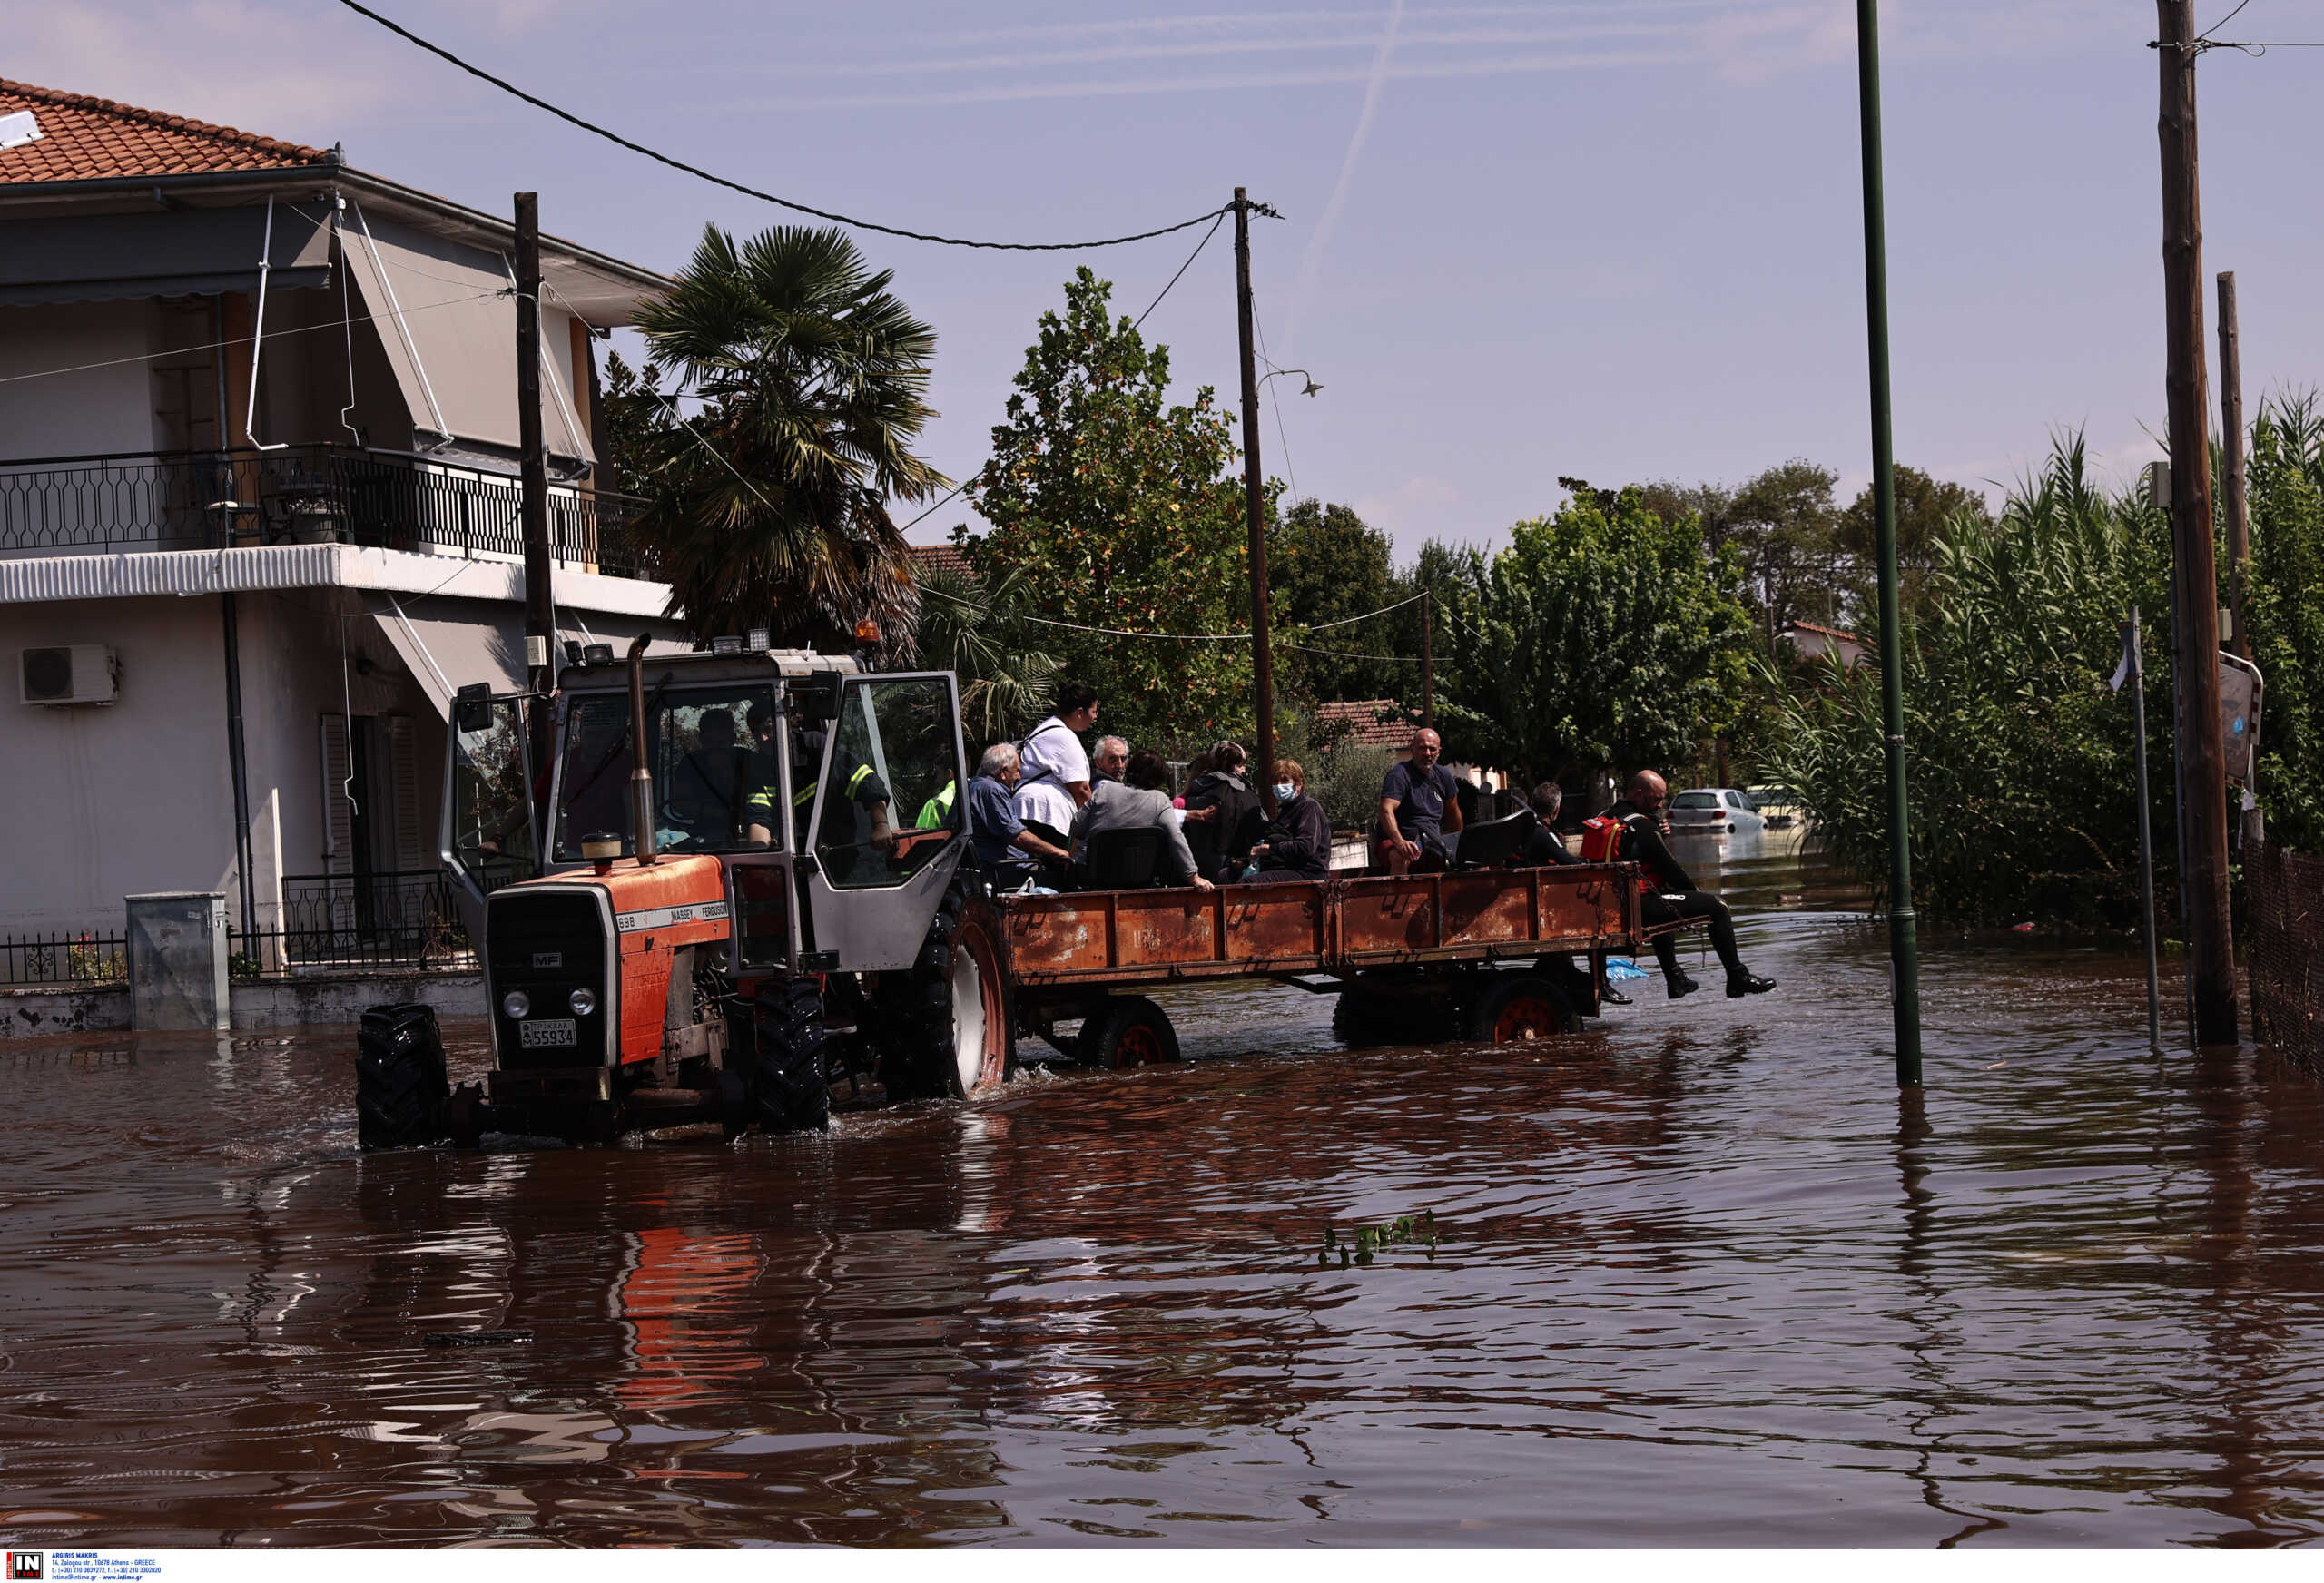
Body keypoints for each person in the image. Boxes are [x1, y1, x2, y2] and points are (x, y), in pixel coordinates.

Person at [1603, 770, 1775, 1000]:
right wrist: (1693, 895)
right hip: (1637, 907)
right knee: (1718, 906)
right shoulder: (1642, 827)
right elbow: (1671, 870)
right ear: (1638, 793)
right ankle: (1737, 977)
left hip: (1609, 905)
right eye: (1656, 799)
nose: (1660, 805)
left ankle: (1675, 979)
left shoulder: (1606, 818)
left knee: (1665, 902)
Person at [1519, 780, 1630, 1008]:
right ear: (1556, 809)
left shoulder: (1527, 829)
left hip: (1533, 898)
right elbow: (1567, 861)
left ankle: (1563, 975)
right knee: (1597, 922)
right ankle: (1601, 982)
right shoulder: (1541, 832)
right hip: (1544, 903)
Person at [1071, 750, 1214, 890]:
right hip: (1143, 881)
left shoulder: (1104, 791)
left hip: (1096, 879)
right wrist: (1193, 877)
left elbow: (1077, 828)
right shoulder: (1160, 801)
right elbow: (1177, 839)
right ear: (1160, 777)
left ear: (1130, 769)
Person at [963, 742, 1069, 888]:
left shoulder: (972, 786)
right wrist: (1054, 851)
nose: (1019, 776)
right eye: (1017, 771)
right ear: (1003, 772)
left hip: (988, 869)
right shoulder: (991, 790)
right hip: (1005, 872)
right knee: (1060, 882)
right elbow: (1016, 835)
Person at [1014, 683, 1099, 843]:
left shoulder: (1043, 730)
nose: (1095, 717)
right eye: (1094, 711)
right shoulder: (1065, 737)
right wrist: (1095, 826)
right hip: (1045, 814)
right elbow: (1081, 789)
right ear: (1080, 712)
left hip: (1025, 809)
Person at [1377, 728, 1465, 873]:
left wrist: (1459, 843)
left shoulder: (1443, 775)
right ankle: (1401, 894)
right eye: (1422, 748)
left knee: (1476, 856)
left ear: (1439, 751)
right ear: (1412, 749)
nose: (1427, 754)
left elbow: (1453, 811)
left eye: (1432, 749)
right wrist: (1400, 842)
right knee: (1402, 857)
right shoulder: (1399, 774)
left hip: (1432, 842)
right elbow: (1386, 809)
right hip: (1396, 841)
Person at [667, 708, 760, 847]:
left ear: (733, 739)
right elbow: (679, 803)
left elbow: (759, 799)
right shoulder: (690, 764)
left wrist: (725, 772)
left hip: (750, 831)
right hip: (703, 833)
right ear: (701, 739)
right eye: (709, 743)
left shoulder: (748, 760)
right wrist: (714, 812)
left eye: (721, 743)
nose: (715, 749)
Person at [1181, 739, 1261, 882]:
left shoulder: (1196, 787)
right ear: (1235, 764)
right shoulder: (1242, 793)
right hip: (1229, 872)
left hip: (1194, 870)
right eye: (1242, 764)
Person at [1239, 759, 1331, 882]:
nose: (1279, 785)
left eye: (1285, 780)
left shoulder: (1308, 807)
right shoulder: (1286, 810)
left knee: (1249, 883)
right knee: (1227, 874)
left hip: (1307, 873)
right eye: (1275, 782)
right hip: (1288, 869)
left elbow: (1306, 847)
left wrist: (1269, 849)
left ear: (1298, 784)